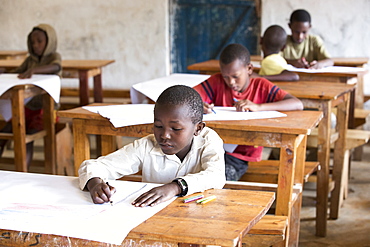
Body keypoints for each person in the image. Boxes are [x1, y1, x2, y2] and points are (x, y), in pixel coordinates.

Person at [79, 85, 226, 207]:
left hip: (199, 216)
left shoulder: (208, 140)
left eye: (175, 129)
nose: (164, 135)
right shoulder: (147, 146)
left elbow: (216, 175)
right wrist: (95, 183)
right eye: (158, 126)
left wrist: (175, 187)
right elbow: (93, 166)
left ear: (198, 129)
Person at [193, 43, 303, 181]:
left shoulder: (261, 86)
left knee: (218, 179)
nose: (230, 82)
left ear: (249, 69)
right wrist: (198, 105)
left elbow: (297, 104)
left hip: (239, 156)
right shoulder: (217, 82)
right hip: (212, 149)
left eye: (235, 76)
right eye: (226, 76)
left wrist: (259, 107)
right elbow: (189, 96)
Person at [0, 23, 62, 165]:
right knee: (6, 130)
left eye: (40, 41)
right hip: (27, 107)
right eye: (33, 42)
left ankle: (23, 171)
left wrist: (35, 70)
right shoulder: (30, 60)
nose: (36, 45)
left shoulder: (53, 57)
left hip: (47, 110)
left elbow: (56, 66)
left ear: (49, 41)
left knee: (27, 135)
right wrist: (5, 73)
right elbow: (18, 72)